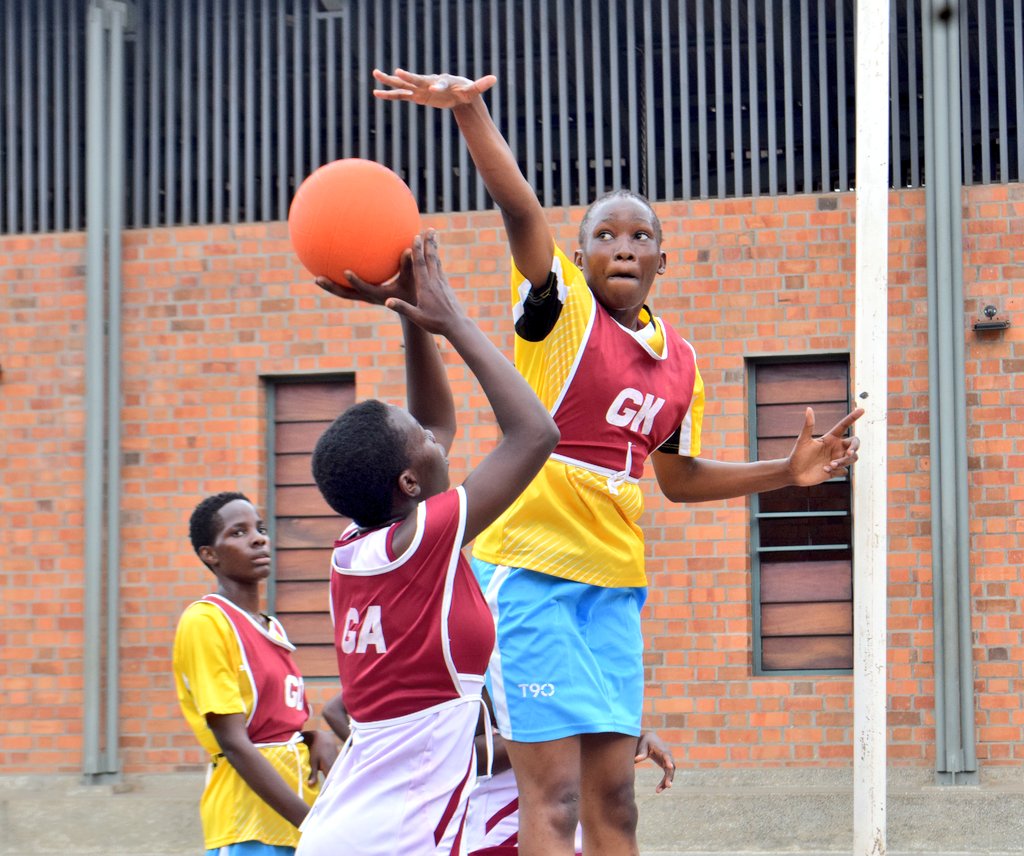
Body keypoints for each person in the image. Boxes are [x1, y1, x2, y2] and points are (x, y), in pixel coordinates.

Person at [371, 68, 864, 856]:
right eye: (606, 235)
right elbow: (520, 209)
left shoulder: (684, 365)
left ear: (663, 262)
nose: (623, 247)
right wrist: (471, 114)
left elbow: (678, 479)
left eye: (640, 237)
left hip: (614, 593)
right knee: (556, 799)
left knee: (618, 806)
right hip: (527, 579)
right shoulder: (559, 315)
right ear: (579, 255)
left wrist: (785, 472)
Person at [294, 230, 560, 856]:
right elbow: (535, 433)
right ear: (410, 482)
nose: (439, 436)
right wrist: (452, 321)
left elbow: (434, 423)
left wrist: (409, 313)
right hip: (396, 834)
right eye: (423, 440)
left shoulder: (359, 544)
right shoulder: (422, 542)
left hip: (358, 828)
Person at [172, 491, 337, 856]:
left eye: (260, 528)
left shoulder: (271, 627)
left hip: (292, 822)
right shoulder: (205, 621)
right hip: (250, 827)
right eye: (238, 532)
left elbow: (271, 725)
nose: (259, 538)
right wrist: (313, 824)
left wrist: (311, 738)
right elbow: (234, 742)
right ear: (209, 555)